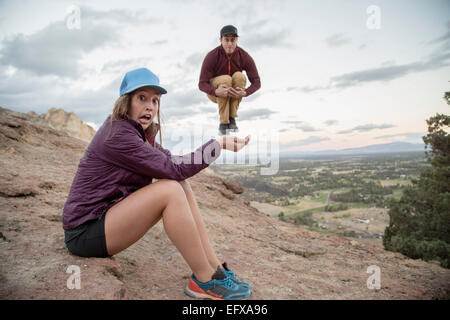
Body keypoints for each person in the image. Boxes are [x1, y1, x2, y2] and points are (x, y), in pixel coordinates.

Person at [62, 67, 252, 300]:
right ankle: (203, 280)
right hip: (84, 233)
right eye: (142, 98)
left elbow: (173, 164)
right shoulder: (118, 134)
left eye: (155, 100)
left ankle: (215, 271)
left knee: (179, 183)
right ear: (126, 102)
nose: (150, 106)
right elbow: (173, 167)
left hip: (106, 218)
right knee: (170, 190)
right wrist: (218, 144)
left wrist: (218, 145)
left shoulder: (137, 134)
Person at [199, 25, 261, 135]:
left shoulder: (244, 56)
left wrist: (246, 92)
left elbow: (257, 82)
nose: (230, 44)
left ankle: (232, 118)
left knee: (239, 76)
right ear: (220, 40)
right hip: (215, 92)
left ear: (237, 40)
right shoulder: (212, 55)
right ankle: (223, 123)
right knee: (226, 79)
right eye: (226, 40)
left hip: (233, 94)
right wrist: (215, 91)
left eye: (233, 40)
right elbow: (202, 84)